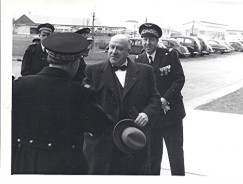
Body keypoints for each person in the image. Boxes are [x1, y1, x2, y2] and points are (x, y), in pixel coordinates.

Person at [12, 32, 113, 174]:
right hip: (64, 165)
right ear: (75, 63)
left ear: (48, 58)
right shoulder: (80, 93)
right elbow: (102, 127)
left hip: (25, 163)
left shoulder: (19, 85)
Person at [82, 34, 161, 175]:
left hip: (132, 139)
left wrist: (147, 113)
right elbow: (85, 104)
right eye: (111, 47)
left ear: (128, 51)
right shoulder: (92, 71)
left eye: (119, 48)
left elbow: (154, 98)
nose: (113, 51)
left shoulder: (145, 71)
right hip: (102, 143)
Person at [135, 23, 186, 175]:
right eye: (144, 39)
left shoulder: (169, 55)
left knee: (175, 155)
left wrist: (164, 99)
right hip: (153, 119)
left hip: (172, 115)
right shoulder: (139, 59)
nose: (147, 43)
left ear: (157, 40)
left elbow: (179, 79)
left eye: (151, 39)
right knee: (152, 158)